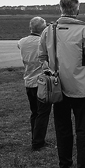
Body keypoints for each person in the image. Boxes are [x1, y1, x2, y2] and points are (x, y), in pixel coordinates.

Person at [38, 0, 85, 168]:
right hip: (82, 87)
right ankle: (84, 167)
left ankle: (64, 163)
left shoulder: (48, 31)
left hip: (57, 86)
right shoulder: (84, 31)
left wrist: (49, 71)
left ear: (61, 8)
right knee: (83, 128)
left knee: (62, 126)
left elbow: (41, 57)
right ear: (76, 9)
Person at [18, 16, 52, 151]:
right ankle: (38, 142)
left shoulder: (22, 42)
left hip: (28, 81)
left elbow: (19, 45)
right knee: (43, 113)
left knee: (34, 112)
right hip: (41, 82)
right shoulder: (43, 42)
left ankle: (35, 137)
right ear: (42, 29)